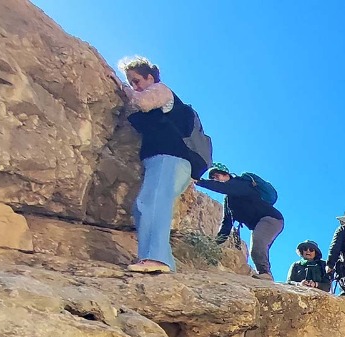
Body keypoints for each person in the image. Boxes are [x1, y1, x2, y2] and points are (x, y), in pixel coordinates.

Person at [119, 56, 203, 274]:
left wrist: (122, 89)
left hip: (169, 157)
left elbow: (143, 102)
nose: (134, 87)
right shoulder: (156, 97)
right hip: (166, 160)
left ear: (150, 77)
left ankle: (156, 258)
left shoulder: (161, 90)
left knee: (151, 203)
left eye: (136, 81)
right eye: (130, 83)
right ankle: (160, 260)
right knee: (146, 205)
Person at [194, 164, 284, 280]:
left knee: (257, 245)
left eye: (217, 176)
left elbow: (224, 188)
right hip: (260, 223)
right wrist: (214, 243)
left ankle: (265, 273)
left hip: (271, 218)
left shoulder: (240, 183)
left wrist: (199, 181)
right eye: (213, 178)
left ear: (226, 174)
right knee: (257, 249)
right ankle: (265, 275)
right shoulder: (229, 202)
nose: (215, 180)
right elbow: (226, 225)